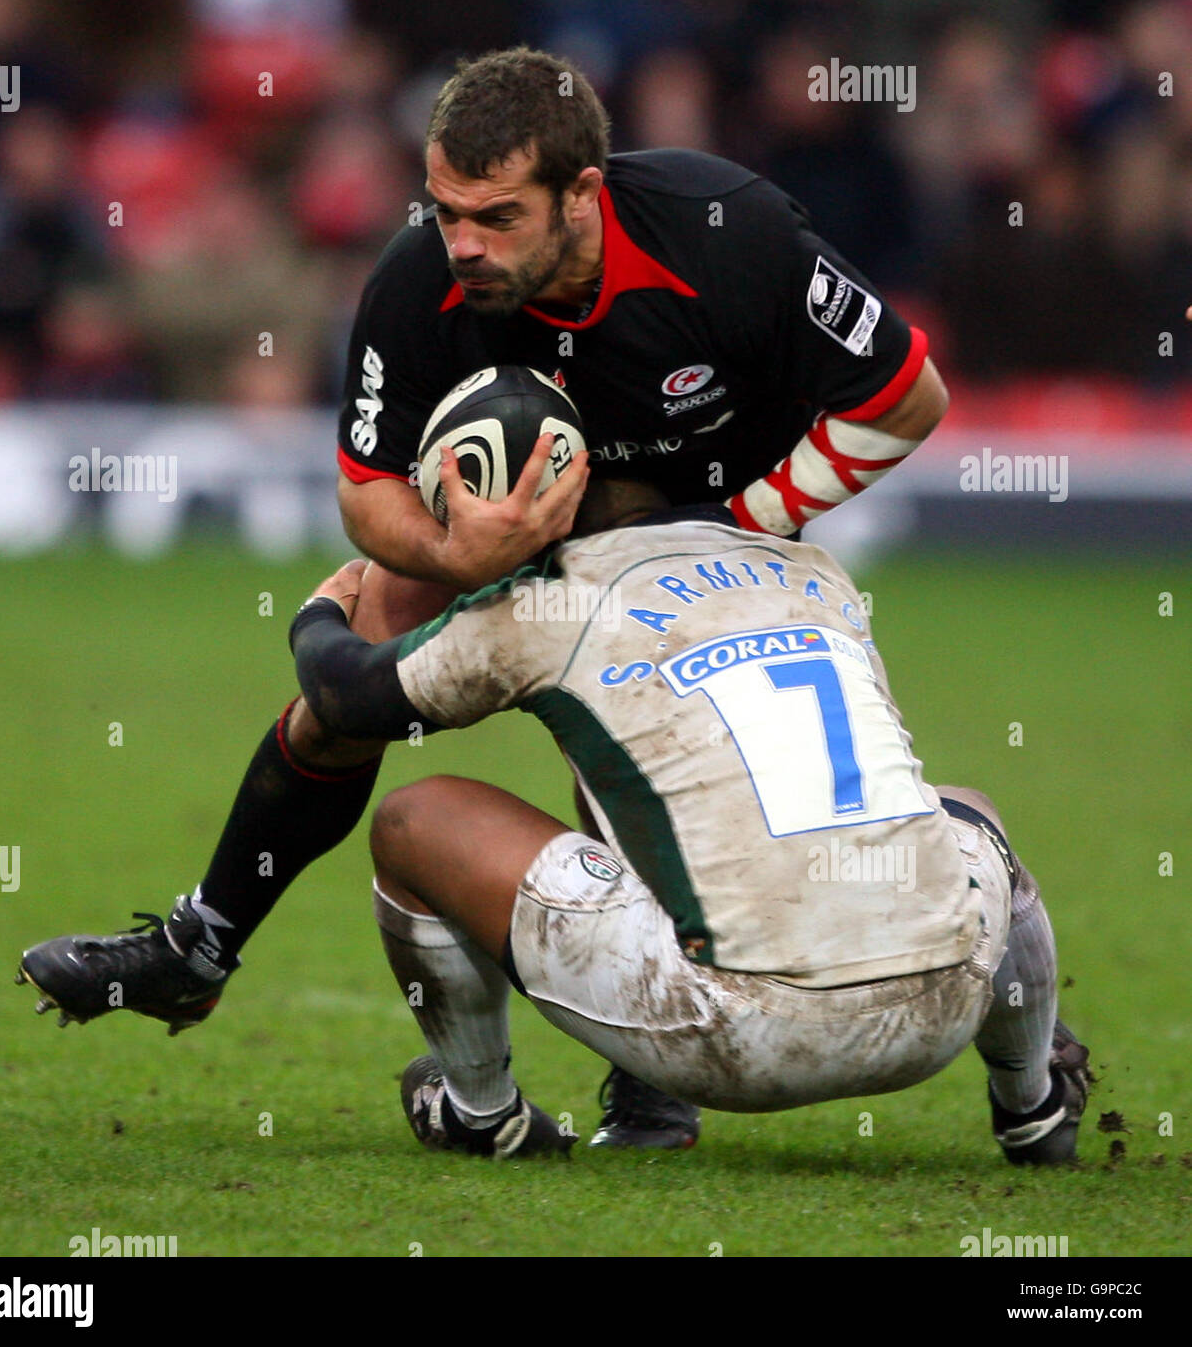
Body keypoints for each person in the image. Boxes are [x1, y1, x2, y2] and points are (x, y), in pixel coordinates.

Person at [16, 44, 950, 1148]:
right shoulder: (421, 281)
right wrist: (455, 557)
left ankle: (654, 1073)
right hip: (507, 524)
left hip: (709, 533)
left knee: (631, 725)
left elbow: (905, 397)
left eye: (497, 216)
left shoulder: (726, 230)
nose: (464, 243)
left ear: (583, 195)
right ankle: (201, 946)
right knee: (366, 631)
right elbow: (365, 496)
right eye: (447, 208)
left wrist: (746, 521)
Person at [277, 474, 1091, 1161]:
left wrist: (320, 611)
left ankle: (481, 1114)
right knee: (967, 811)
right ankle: (1033, 1102)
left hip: (746, 1036)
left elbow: (351, 698)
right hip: (945, 1004)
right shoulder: (816, 572)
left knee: (417, 819)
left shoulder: (553, 604)